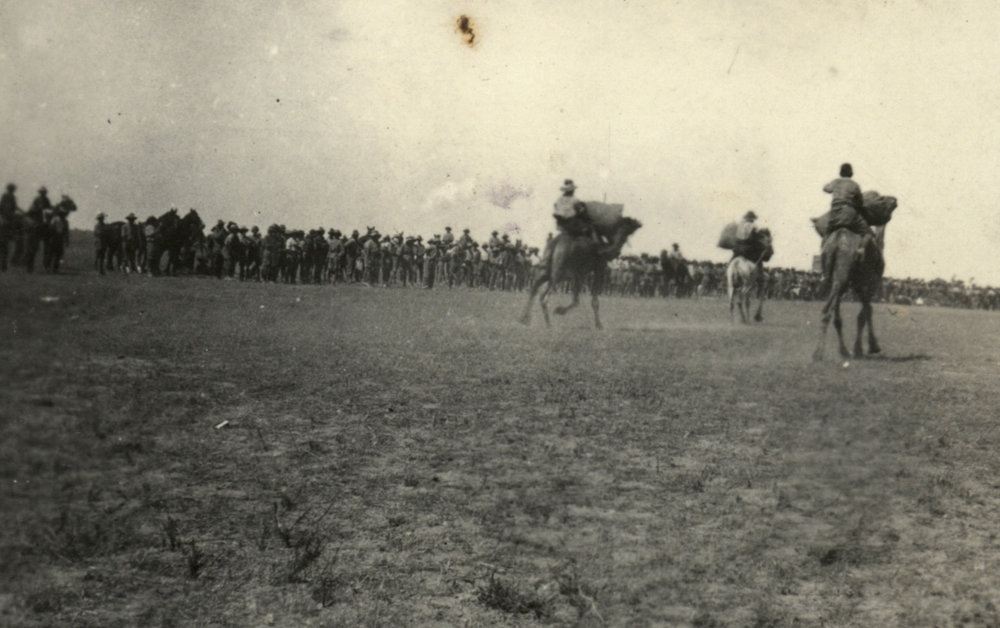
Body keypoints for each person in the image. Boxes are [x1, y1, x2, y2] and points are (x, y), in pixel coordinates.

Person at [822, 162, 872, 255]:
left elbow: (826, 189)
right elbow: (860, 203)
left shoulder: (836, 182)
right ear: (851, 173)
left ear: (840, 172)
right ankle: (861, 250)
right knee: (868, 233)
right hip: (849, 214)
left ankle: (823, 251)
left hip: (835, 214)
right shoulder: (855, 185)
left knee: (827, 232)